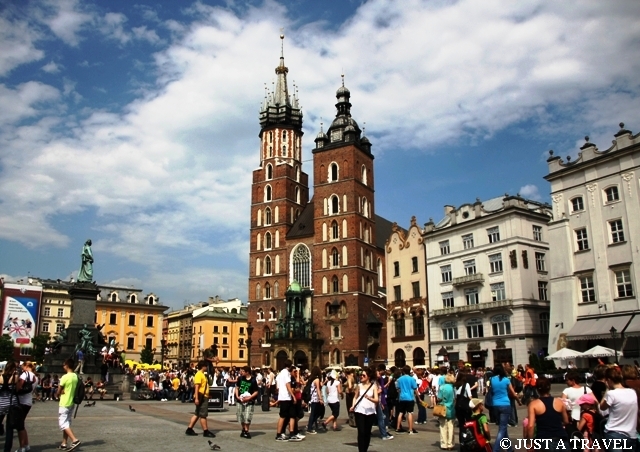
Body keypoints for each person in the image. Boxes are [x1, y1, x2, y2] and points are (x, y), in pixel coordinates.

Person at [600, 366, 638, 452]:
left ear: (609, 380)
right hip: (631, 434)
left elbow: (601, 408)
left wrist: (607, 389)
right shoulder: (632, 392)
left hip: (614, 432)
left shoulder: (611, 394)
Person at [525, 376, 569, 451]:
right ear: (549, 388)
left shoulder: (534, 404)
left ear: (537, 389)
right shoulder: (559, 402)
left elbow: (530, 426)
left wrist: (529, 442)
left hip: (544, 440)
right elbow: (566, 421)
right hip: (561, 439)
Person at [489, 364, 521, 452]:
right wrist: (518, 401)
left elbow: (490, 390)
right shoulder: (506, 380)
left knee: (503, 427)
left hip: (495, 405)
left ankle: (509, 449)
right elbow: (513, 393)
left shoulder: (491, 379)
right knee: (502, 429)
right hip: (505, 404)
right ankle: (496, 449)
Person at [351, 367, 379, 452]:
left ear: (369, 376)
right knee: (361, 432)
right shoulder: (358, 386)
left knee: (367, 433)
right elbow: (355, 397)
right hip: (360, 410)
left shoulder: (373, 386)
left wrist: (369, 398)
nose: (361, 377)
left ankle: (365, 449)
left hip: (370, 411)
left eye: (363, 375)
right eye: (361, 375)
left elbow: (377, 400)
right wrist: (353, 406)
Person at [185, 360, 216, 437]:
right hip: (201, 396)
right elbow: (197, 387)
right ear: (203, 366)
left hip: (203, 395)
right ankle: (205, 431)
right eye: (206, 366)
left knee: (197, 414)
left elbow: (204, 386)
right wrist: (196, 398)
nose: (207, 368)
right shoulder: (199, 374)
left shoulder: (202, 374)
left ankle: (189, 429)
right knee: (203, 414)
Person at [56, 358, 81, 451]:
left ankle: (75, 440)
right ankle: (64, 443)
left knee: (62, 423)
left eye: (63, 365)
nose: (63, 367)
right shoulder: (75, 376)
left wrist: (58, 392)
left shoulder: (64, 377)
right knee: (67, 423)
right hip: (72, 402)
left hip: (64, 402)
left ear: (67, 365)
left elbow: (58, 392)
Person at [275, 359, 303, 441]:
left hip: (284, 397)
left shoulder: (280, 373)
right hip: (286, 397)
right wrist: (293, 396)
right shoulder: (286, 373)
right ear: (290, 366)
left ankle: (291, 433)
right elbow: (288, 385)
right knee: (283, 416)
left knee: (292, 415)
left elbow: (278, 386)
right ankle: (279, 434)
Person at [16, 361, 37, 452]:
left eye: (22, 366)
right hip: (28, 401)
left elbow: (19, 387)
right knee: (21, 424)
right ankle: (26, 444)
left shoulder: (25, 374)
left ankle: (22, 447)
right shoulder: (36, 377)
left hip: (21, 401)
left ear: (26, 366)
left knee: (19, 425)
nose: (21, 368)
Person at [235, 366, 259, 439]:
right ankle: (243, 429)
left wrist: (250, 397)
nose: (241, 372)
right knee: (241, 416)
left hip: (249, 401)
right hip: (240, 400)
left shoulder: (253, 380)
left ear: (247, 372)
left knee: (248, 416)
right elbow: (237, 388)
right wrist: (237, 396)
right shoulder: (240, 379)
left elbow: (256, 392)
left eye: (243, 371)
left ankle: (247, 431)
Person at [394, 365, 418, 434]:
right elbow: (415, 388)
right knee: (410, 413)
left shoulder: (399, 379)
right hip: (410, 398)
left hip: (402, 398)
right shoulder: (412, 379)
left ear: (403, 371)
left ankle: (398, 428)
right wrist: (418, 397)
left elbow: (398, 389)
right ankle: (410, 429)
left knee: (400, 412)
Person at [438, 373, 457, 450]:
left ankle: (444, 444)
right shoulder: (453, 388)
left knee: (443, 427)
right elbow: (455, 398)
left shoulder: (442, 387)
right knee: (451, 426)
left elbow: (439, 398)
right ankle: (450, 444)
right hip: (451, 408)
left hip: (443, 408)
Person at [306, 366, 324, 434]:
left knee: (315, 412)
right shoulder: (316, 379)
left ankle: (311, 425)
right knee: (315, 413)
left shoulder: (311, 379)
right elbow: (318, 390)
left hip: (312, 398)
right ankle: (309, 427)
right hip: (315, 398)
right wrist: (320, 398)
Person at [455, 372, 472, 443]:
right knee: (468, 422)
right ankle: (468, 439)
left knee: (461, 424)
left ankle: (462, 440)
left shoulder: (455, 385)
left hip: (458, 406)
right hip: (465, 406)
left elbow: (455, 397)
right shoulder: (466, 384)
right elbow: (469, 396)